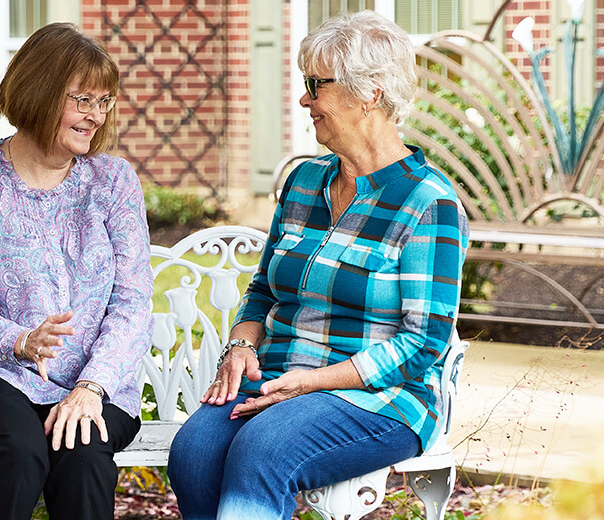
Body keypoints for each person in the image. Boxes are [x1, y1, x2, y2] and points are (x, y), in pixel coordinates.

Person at [165, 11, 469, 520]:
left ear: (370, 92)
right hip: (280, 378)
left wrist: (312, 382)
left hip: (382, 398)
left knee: (264, 451)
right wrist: (241, 346)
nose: (305, 100)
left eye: (315, 85)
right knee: (193, 453)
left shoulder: (427, 203)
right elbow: (264, 288)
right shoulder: (305, 182)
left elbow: (423, 344)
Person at [0, 22, 150, 520]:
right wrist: (22, 341)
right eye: (82, 100)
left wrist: (91, 387)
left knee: (83, 456)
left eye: (104, 102)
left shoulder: (113, 181)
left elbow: (133, 305)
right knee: (17, 451)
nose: (95, 116)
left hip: (94, 383)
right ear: (40, 93)